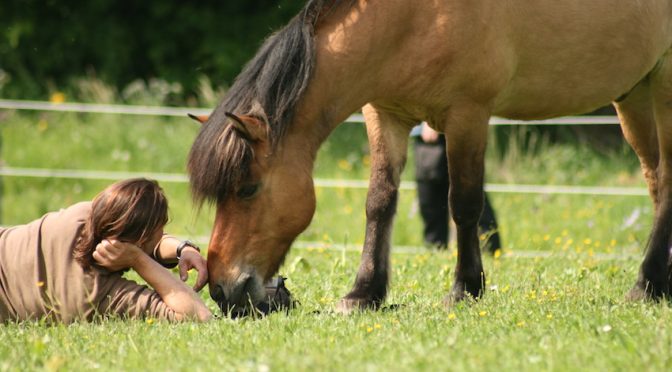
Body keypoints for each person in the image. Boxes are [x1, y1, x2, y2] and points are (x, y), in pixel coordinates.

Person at [0, 178, 212, 323]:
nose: (164, 234)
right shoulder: (95, 292)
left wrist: (182, 249)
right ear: (135, 245)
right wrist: (138, 260)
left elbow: (150, 242)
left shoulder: (82, 215)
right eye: (160, 229)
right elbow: (198, 315)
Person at [413, 122, 502, 253]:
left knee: (469, 193)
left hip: (450, 127)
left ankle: (489, 252)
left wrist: (430, 120)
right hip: (427, 135)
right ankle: (435, 255)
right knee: (431, 202)